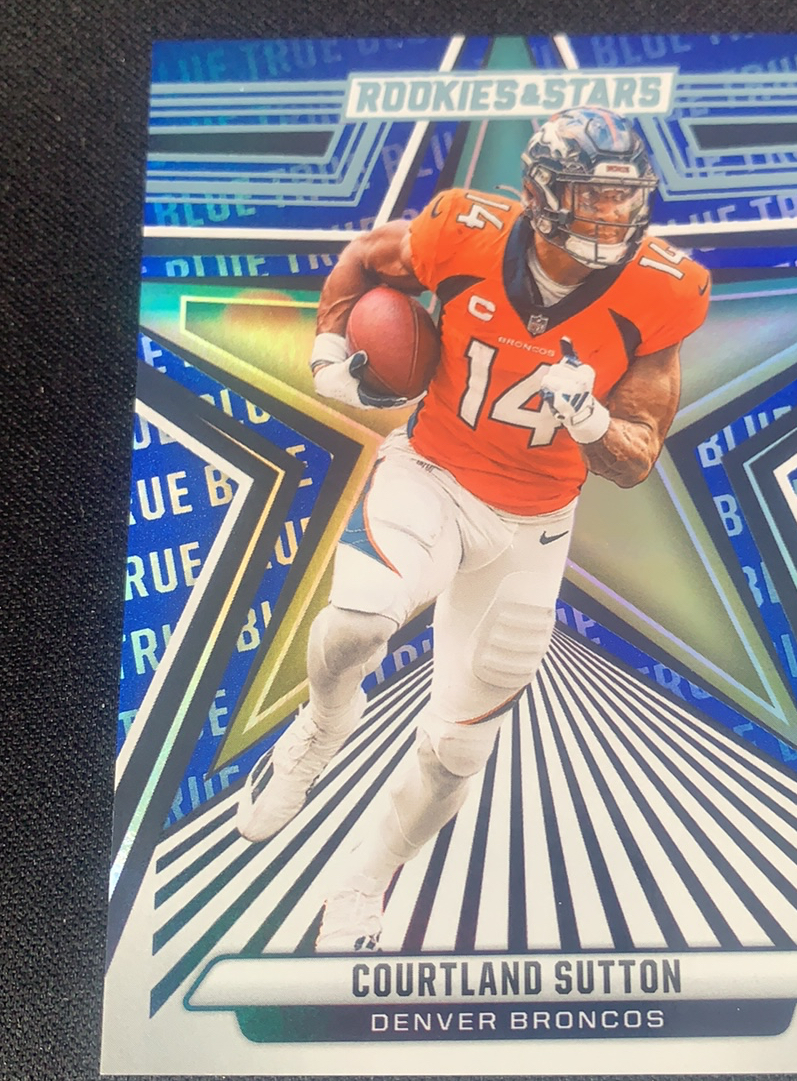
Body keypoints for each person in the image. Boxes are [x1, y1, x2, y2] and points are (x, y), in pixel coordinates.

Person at [235, 105, 711, 952]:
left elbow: (637, 455)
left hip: (534, 524)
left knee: (458, 750)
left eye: (622, 198)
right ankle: (325, 723)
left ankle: (362, 881)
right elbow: (364, 255)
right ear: (541, 192)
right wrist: (328, 349)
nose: (610, 216)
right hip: (433, 470)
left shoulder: (662, 289)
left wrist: (591, 421)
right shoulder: (463, 230)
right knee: (359, 619)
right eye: (590, 196)